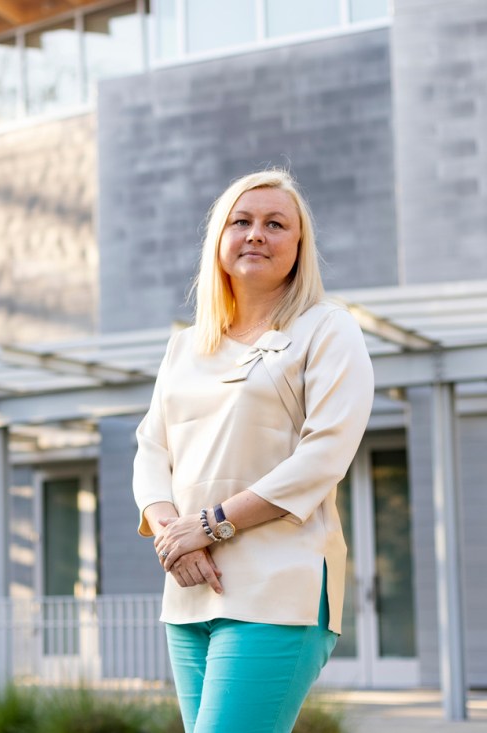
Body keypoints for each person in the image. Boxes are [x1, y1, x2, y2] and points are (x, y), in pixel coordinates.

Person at [132, 169, 374, 732]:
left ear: (298, 245)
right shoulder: (184, 346)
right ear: (219, 240)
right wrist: (175, 533)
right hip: (190, 589)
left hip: (278, 588)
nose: (256, 234)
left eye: (275, 224)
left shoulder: (327, 329)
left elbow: (324, 456)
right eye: (241, 221)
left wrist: (211, 525)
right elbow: (151, 450)